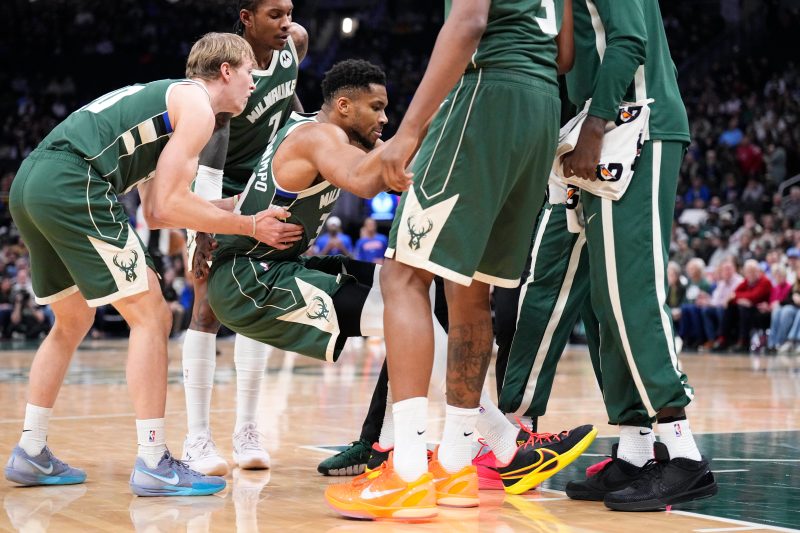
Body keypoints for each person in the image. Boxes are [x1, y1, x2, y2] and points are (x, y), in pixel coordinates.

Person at [325, 0, 596, 521]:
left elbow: (470, 20)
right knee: (472, 287)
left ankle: (406, 472)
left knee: (403, 275)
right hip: (542, 107)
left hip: (485, 94)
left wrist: (409, 131)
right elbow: (565, 54)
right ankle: (455, 464)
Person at [4, 32, 300, 496]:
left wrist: (229, 207)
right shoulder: (199, 109)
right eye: (249, 74)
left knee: (73, 319)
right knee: (154, 315)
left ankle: (31, 449)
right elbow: (164, 208)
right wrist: (248, 225)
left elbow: (156, 208)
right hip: (74, 180)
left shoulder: (168, 101)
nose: (253, 85)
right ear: (226, 70)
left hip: (31, 182)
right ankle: (153, 460)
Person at [553, 0, 716, 511]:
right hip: (606, 125)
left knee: (631, 292)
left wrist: (595, 125)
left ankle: (683, 452)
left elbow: (628, 39)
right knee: (606, 302)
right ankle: (636, 448)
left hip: (634, 125)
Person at [180, 0, 308, 476]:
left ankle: (248, 429)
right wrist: (204, 228)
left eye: (289, 12)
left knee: (256, 302)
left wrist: (303, 131)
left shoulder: (296, 44)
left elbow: (288, 100)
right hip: (213, 188)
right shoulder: (228, 71)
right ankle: (196, 436)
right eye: (274, 14)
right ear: (246, 18)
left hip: (263, 187)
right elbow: (210, 166)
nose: (286, 22)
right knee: (206, 307)